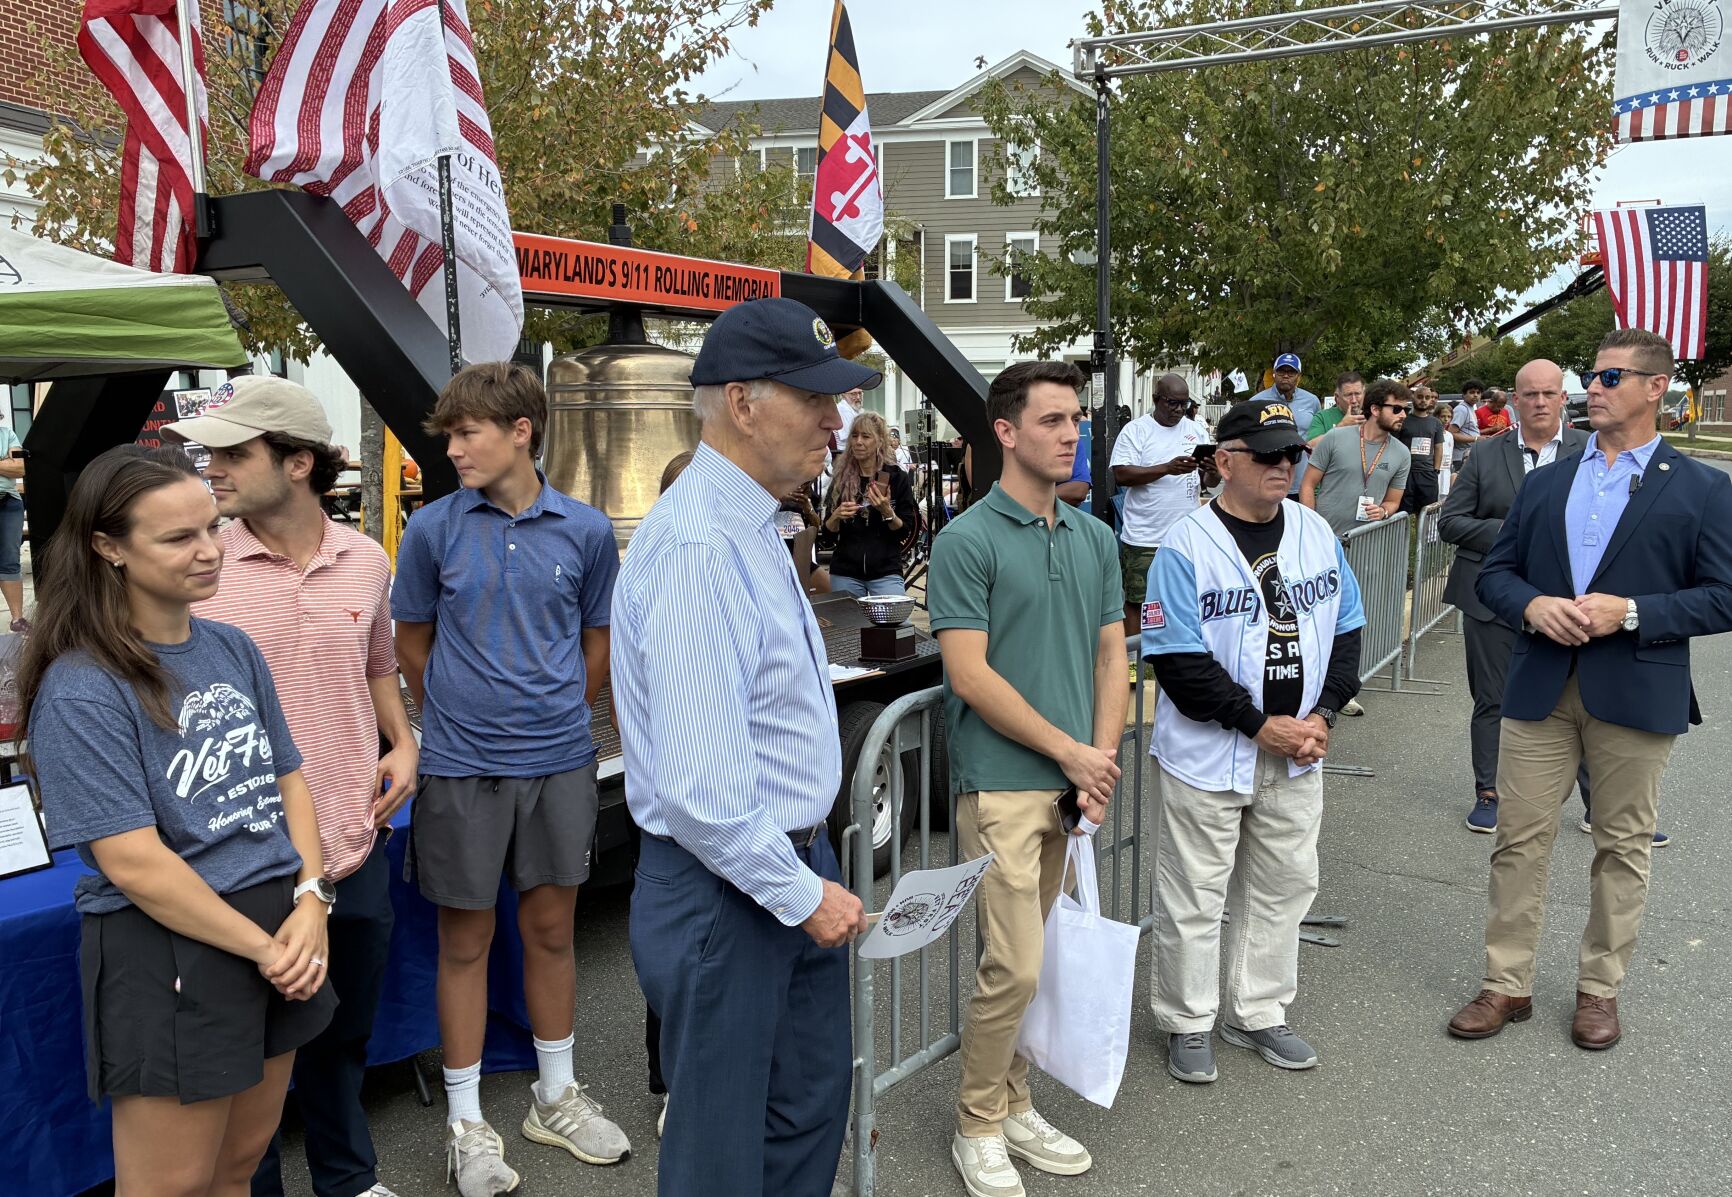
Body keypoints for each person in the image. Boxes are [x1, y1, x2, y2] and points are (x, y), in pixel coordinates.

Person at [20, 445, 336, 1197]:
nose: (208, 550)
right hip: (173, 944)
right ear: (108, 547)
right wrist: (269, 946)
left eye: (212, 526)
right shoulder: (81, 686)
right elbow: (133, 862)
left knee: (236, 1170)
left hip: (276, 927)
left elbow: (287, 775)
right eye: (176, 537)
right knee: (171, 1188)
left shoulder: (230, 646)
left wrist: (313, 897)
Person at [611, 297, 873, 1197]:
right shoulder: (695, 547)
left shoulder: (749, 526)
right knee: (723, 1156)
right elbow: (703, 791)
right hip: (729, 885)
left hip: (774, 868)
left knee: (806, 1108)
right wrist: (801, 892)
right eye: (816, 400)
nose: (835, 421)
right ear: (743, 403)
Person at [165, 377, 418, 1197]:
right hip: (244, 861)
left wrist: (404, 739)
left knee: (342, 1035)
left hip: (355, 838)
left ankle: (347, 1179)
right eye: (212, 453)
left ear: (299, 461)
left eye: (235, 453)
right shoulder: (200, 571)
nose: (214, 469)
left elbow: (376, 661)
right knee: (253, 1053)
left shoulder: (369, 560)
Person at [1448, 329, 1732, 1051]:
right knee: (1518, 838)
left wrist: (1630, 612)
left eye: (1609, 377)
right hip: (1541, 683)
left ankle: (1599, 990)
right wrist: (1533, 606)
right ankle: (1506, 981)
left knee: (1623, 845)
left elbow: (1724, 595)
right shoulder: (1549, 480)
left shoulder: (1701, 486)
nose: (1592, 389)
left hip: (1636, 689)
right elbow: (1496, 573)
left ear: (1654, 388)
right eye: (1592, 377)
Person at [392, 362, 628, 1195]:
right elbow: (411, 641)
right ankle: (467, 1119)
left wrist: (557, 709)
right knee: (464, 940)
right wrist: (460, 713)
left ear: (521, 430)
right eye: (450, 435)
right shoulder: (432, 530)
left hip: (559, 762)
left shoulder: (589, 531)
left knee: (554, 931)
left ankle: (555, 1097)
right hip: (461, 768)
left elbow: (596, 643)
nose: (454, 448)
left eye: (468, 433)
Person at [929, 360, 1127, 1197]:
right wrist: (1072, 752)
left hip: (1073, 780)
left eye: (1075, 418)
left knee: (1033, 958)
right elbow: (968, 675)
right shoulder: (965, 540)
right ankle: (978, 1118)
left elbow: (1113, 652)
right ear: (1005, 432)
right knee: (1012, 963)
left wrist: (1100, 760)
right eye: (1052, 420)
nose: (1071, 432)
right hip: (1003, 781)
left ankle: (1013, 1099)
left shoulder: (1095, 537)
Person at [1141, 398, 1363, 1084]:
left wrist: (1324, 713)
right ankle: (1187, 1018)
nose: (1283, 464)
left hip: (1299, 753)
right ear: (1225, 460)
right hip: (1210, 755)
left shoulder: (1313, 530)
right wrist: (1260, 724)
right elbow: (1178, 661)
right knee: (1194, 894)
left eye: (1291, 453)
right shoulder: (1184, 544)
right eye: (1267, 454)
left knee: (1283, 887)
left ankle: (1259, 1009)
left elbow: (1348, 627)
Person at [1440, 360, 1591, 834]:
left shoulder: (1591, 451)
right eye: (1530, 395)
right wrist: (1508, 530)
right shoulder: (1487, 455)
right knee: (1493, 699)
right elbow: (1450, 521)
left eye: (1550, 394)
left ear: (1564, 398)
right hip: (1491, 596)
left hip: (1569, 602)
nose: (1540, 402)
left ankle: (1602, 805)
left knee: (1584, 702)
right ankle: (1490, 793)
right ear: (1514, 400)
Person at [1110, 374, 1214, 647]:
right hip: (1145, 536)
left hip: (1186, 536)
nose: (1179, 410)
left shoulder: (1195, 430)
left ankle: (1177, 650)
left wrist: (1212, 474)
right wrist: (1166, 468)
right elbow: (1121, 474)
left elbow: (1206, 483)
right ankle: (1133, 661)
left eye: (1184, 403)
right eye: (1172, 403)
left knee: (1185, 598)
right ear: (1156, 400)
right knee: (1138, 601)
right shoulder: (1136, 431)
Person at [1299, 377, 1412, 537]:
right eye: (1396, 409)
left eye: (1405, 410)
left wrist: (1383, 511)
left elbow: (1393, 501)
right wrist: (1310, 526)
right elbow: (1308, 484)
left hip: (1366, 543)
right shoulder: (1335, 437)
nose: (1403, 415)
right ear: (1375, 410)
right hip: (1325, 537)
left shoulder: (1402, 453)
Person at [823, 410, 916, 597]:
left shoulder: (896, 478)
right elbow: (827, 537)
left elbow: (907, 531)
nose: (858, 442)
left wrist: (887, 512)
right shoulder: (841, 479)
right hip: (845, 571)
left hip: (886, 571)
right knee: (848, 625)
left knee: (897, 623)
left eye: (866, 436)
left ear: (880, 441)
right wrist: (835, 517)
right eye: (855, 436)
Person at [1250, 353, 1319, 495]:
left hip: (1302, 483)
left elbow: (1316, 436)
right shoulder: (1256, 402)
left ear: (1299, 376)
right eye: (1281, 371)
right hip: (1268, 479)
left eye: (1291, 372)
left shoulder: (1312, 401)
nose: (1286, 376)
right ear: (1274, 374)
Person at [1395, 386, 1446, 513]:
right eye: (1420, 397)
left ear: (1431, 400)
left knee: (1427, 513)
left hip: (1428, 473)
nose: (1423, 400)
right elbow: (1394, 444)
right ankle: (1403, 533)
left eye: (1427, 397)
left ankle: (1422, 534)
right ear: (1413, 398)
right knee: (1403, 512)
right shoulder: (1403, 420)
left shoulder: (1436, 423)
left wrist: (1436, 470)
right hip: (1406, 472)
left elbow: (1438, 446)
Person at [0, 421, 26, 631]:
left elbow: (19, 468)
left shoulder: (7, 433)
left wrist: (11, 464)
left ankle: (18, 620)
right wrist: (3, 462)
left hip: (9, 502)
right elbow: (10, 466)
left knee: (10, 560)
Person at [1304, 372, 1364, 446]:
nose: (1354, 400)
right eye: (1348, 395)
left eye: (1358, 394)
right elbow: (1310, 447)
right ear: (1337, 397)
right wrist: (1341, 426)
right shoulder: (1323, 417)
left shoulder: (1373, 416)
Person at [1449, 382, 1483, 473]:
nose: (1475, 395)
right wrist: (1476, 438)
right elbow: (1452, 433)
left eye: (1478, 392)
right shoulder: (1461, 409)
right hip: (1460, 458)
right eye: (1472, 392)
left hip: (1469, 455)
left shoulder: (1470, 408)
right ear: (1463, 395)